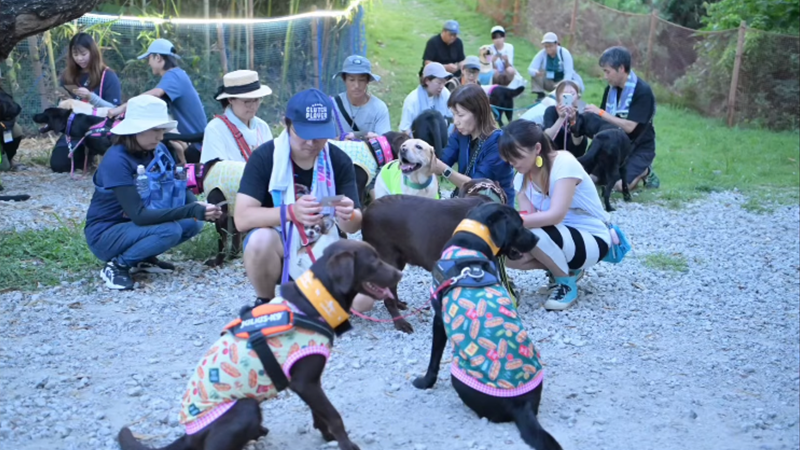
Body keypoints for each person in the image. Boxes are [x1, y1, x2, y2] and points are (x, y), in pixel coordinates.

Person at [233, 88, 361, 303]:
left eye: (319, 135)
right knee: (259, 240)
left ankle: (307, 290)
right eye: (303, 134)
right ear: (287, 124)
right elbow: (242, 218)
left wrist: (349, 215)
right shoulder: (265, 157)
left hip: (324, 241)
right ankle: (265, 300)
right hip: (278, 245)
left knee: (363, 302)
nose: (311, 143)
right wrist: (291, 212)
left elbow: (353, 226)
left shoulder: (339, 160)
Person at [84, 95, 221, 290]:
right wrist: (191, 209)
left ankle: (143, 258)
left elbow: (177, 188)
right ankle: (118, 265)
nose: (161, 136)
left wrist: (200, 207)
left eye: (162, 130)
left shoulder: (158, 150)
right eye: (155, 130)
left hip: (134, 227)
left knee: (193, 223)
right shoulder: (116, 160)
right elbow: (139, 216)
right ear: (135, 129)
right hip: (106, 234)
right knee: (171, 230)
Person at [499, 120, 611, 310]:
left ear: (537, 148)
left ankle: (566, 283)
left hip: (592, 237)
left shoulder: (564, 163)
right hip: (557, 237)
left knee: (532, 235)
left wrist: (513, 221)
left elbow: (556, 215)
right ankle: (565, 270)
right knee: (504, 252)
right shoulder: (520, 179)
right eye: (508, 157)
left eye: (517, 156)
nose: (512, 162)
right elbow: (530, 218)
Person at [109, 39, 207, 164]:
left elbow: (154, 94)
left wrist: (121, 108)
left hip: (195, 145)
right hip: (192, 141)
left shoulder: (174, 75)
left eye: (149, 58)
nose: (148, 63)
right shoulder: (176, 75)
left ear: (158, 58)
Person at [585, 46, 659, 190]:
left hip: (639, 146)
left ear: (621, 68)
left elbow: (630, 127)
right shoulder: (610, 90)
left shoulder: (642, 91)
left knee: (620, 186)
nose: (605, 76)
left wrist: (600, 113)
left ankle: (645, 170)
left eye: (607, 71)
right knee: (592, 178)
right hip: (615, 144)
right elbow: (603, 122)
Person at [50, 32, 122, 173]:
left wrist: (91, 97)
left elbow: (115, 109)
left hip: (99, 130)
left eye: (83, 54)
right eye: (75, 55)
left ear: (93, 52)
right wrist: (63, 102)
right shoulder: (68, 75)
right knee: (58, 165)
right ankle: (86, 157)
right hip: (75, 130)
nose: (79, 59)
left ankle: (94, 155)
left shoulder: (108, 76)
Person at [432, 83, 515, 204]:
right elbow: (443, 161)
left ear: (478, 113)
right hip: (468, 204)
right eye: (453, 114)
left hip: (495, 210)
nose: (456, 121)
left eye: (460, 115)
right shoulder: (461, 134)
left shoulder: (498, 143)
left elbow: (477, 186)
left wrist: (445, 170)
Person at [200, 70, 273, 164]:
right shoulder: (215, 129)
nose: (253, 106)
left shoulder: (262, 127)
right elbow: (214, 172)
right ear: (230, 99)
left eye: (256, 100)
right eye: (247, 101)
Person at [330, 55, 391, 140]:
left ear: (367, 81)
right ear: (344, 80)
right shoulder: (333, 105)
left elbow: (384, 143)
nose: (356, 85)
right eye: (351, 80)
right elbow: (325, 143)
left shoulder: (379, 108)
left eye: (361, 80)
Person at [400, 62, 453, 135]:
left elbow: (452, 116)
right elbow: (405, 130)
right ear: (427, 81)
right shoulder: (412, 100)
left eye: (444, 83)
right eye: (439, 83)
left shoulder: (444, 93)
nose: (442, 86)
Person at [528, 32, 584, 101]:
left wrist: (562, 84)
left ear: (556, 44)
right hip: (551, 81)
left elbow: (568, 73)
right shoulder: (542, 54)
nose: (548, 49)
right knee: (536, 75)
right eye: (546, 46)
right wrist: (536, 72)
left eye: (550, 46)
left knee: (571, 87)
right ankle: (540, 96)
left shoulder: (564, 53)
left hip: (564, 81)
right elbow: (531, 69)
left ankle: (568, 101)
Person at [543, 80, 587, 158]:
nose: (569, 97)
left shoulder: (582, 112)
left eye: (572, 94)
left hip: (576, 156)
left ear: (578, 97)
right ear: (557, 97)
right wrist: (561, 118)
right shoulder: (551, 110)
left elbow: (577, 143)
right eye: (565, 94)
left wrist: (573, 121)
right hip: (554, 155)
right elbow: (547, 137)